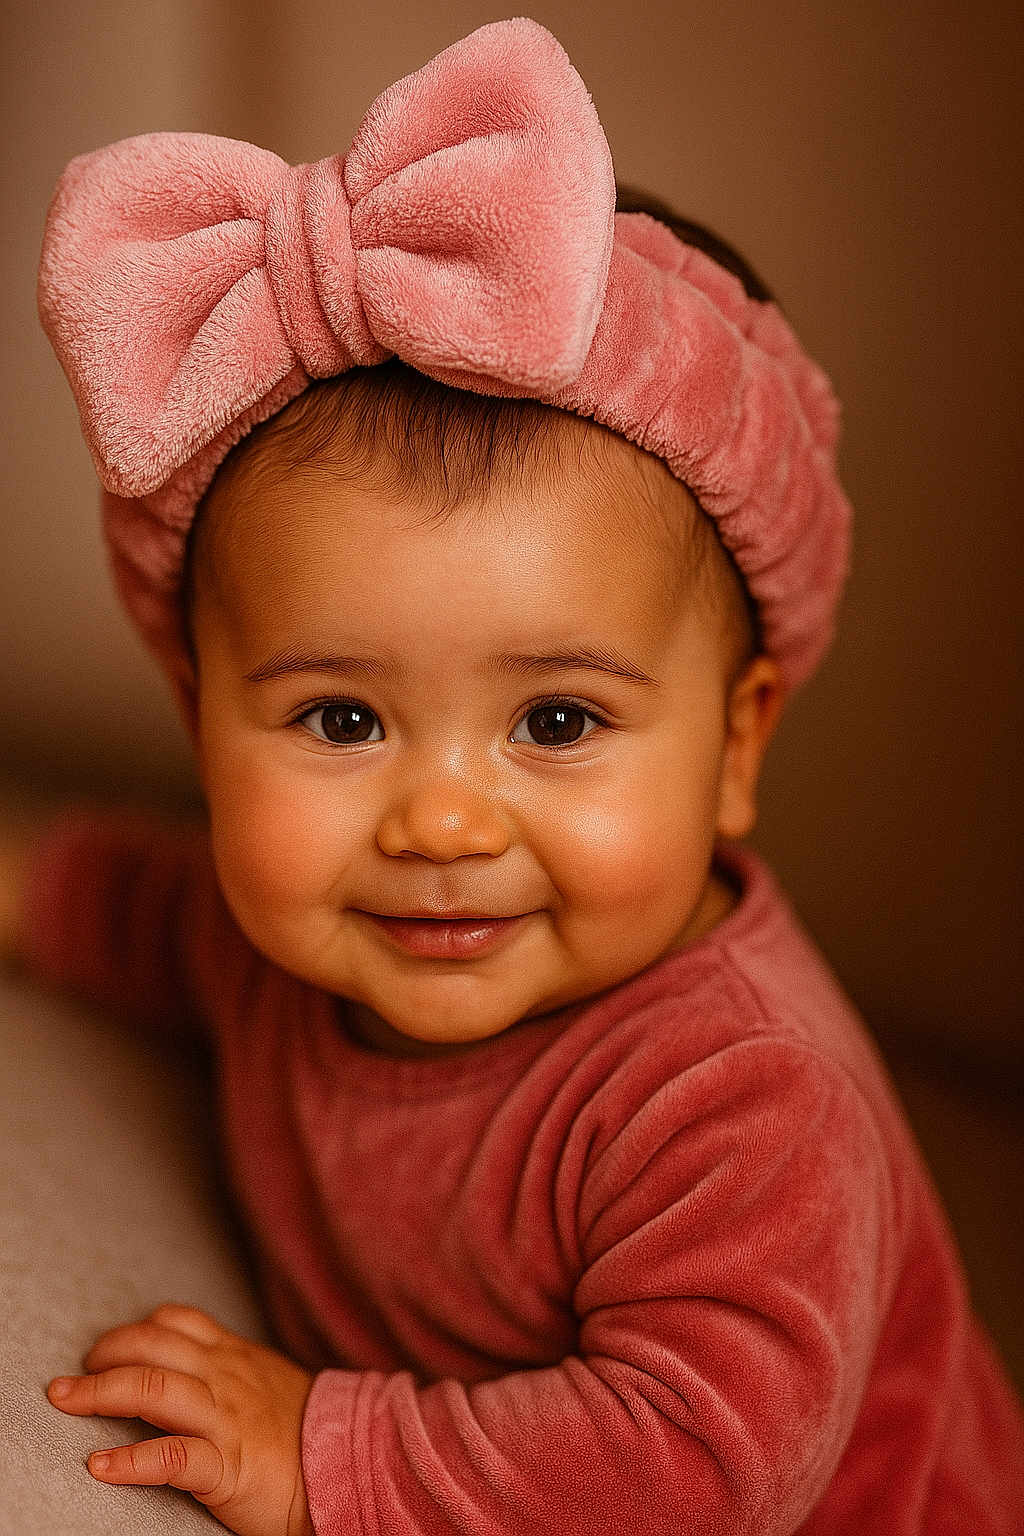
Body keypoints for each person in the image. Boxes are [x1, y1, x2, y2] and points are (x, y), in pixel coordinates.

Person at [3, 15, 1022, 1535]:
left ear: (737, 745)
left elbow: (700, 1464)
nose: (442, 822)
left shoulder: (741, 1100)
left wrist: (324, 1453)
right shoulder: (274, 934)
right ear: (198, 712)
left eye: (556, 723)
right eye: (341, 721)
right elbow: (146, 916)